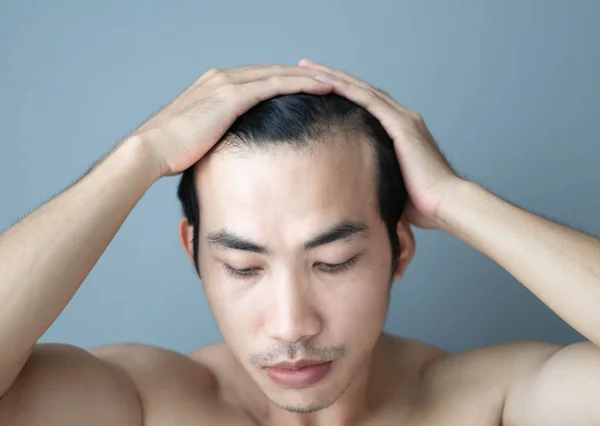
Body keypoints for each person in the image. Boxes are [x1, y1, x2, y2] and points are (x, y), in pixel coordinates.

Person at [0, 59, 599, 426]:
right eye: (242, 266)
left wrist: (455, 200)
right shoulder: (139, 405)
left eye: (334, 262)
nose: (291, 326)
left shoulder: (488, 402)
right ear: (194, 253)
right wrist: (142, 154)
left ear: (400, 249)